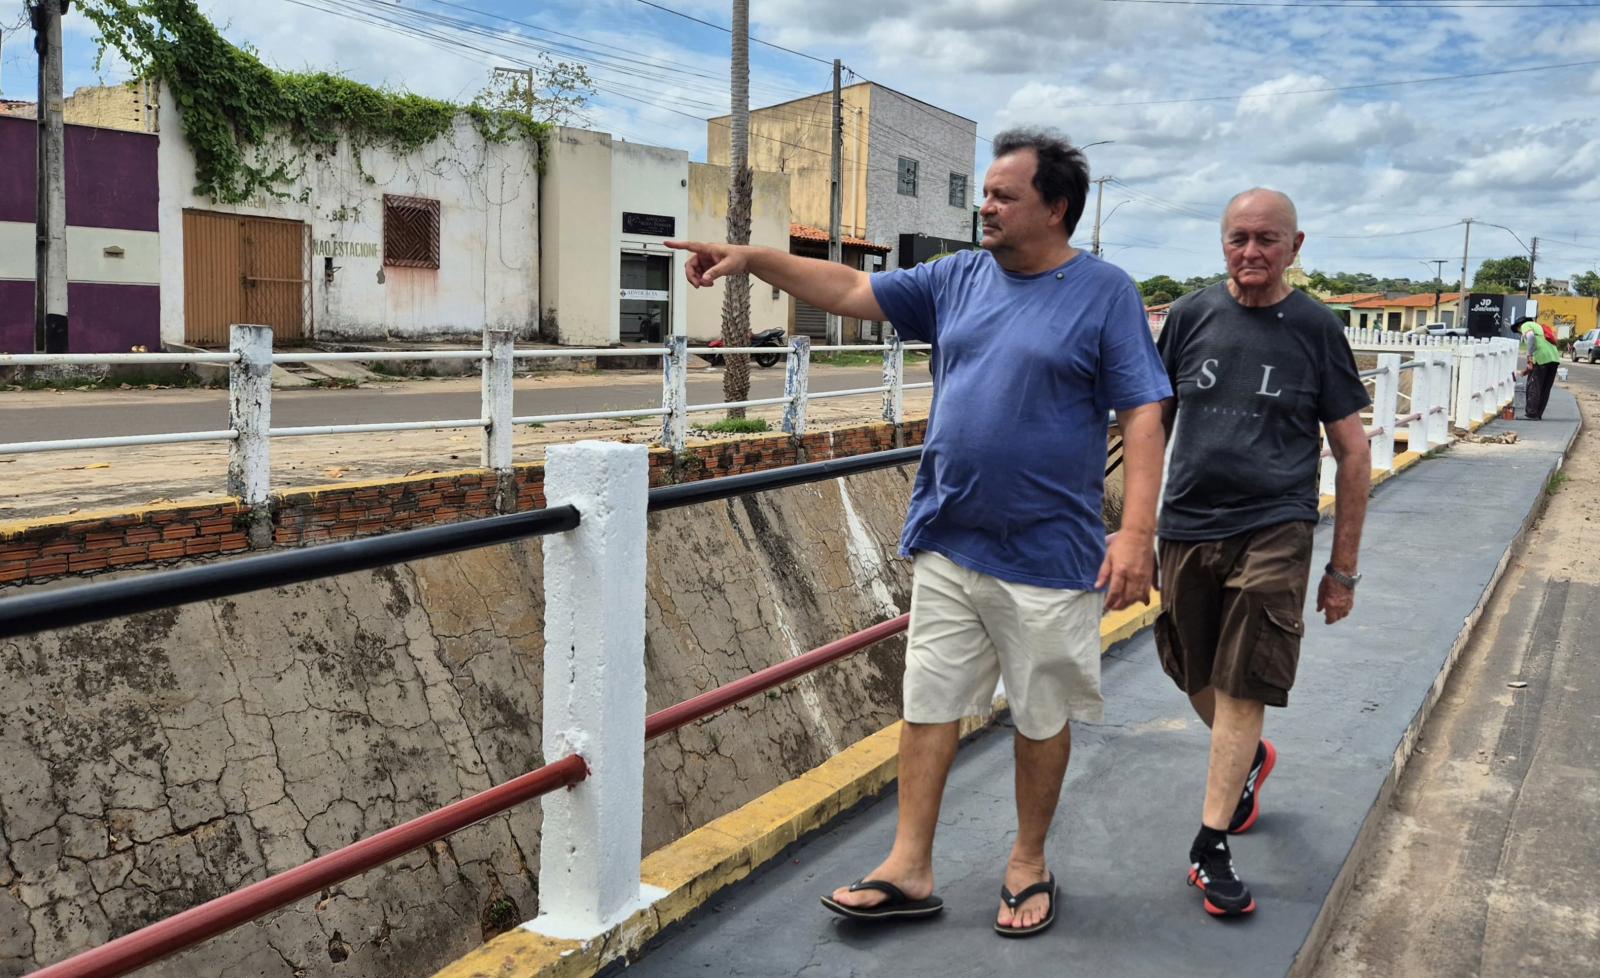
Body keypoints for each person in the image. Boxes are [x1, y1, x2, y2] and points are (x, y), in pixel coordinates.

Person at [667, 128, 1171, 938]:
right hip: (948, 536)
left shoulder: (1104, 291)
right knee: (928, 705)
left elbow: (1144, 411)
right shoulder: (956, 277)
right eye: (987, 192)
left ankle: (1027, 862)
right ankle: (909, 866)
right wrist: (755, 258)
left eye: (1004, 195)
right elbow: (847, 288)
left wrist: (1137, 531)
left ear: (1056, 208)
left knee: (1040, 714)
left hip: (1048, 554)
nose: (986, 206)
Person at [1154, 188, 1372, 918]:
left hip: (1275, 525)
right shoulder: (1188, 317)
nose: (1252, 252)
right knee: (1192, 668)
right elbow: (1152, 421)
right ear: (1222, 243)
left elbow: (1351, 450)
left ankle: (1209, 846)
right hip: (1185, 524)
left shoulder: (1315, 327)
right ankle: (1248, 759)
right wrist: (1122, 528)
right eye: (1239, 238)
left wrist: (1342, 570)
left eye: (1268, 240)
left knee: (1246, 677)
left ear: (1296, 246)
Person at [1517, 317, 1560, 419]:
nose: (1521, 333)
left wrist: (1529, 356)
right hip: (1554, 358)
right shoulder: (1539, 327)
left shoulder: (1525, 325)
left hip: (1541, 358)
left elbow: (1531, 337)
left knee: (1534, 385)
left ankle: (1531, 413)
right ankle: (1538, 414)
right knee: (1545, 388)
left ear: (1519, 326)